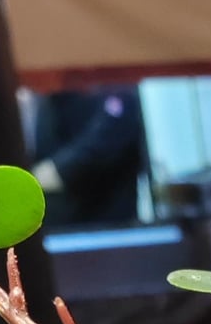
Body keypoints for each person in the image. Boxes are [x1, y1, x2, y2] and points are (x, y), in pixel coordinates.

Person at [31, 86, 144, 228]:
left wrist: (58, 171)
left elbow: (108, 137)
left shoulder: (116, 89)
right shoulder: (49, 95)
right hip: (55, 220)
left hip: (106, 219)